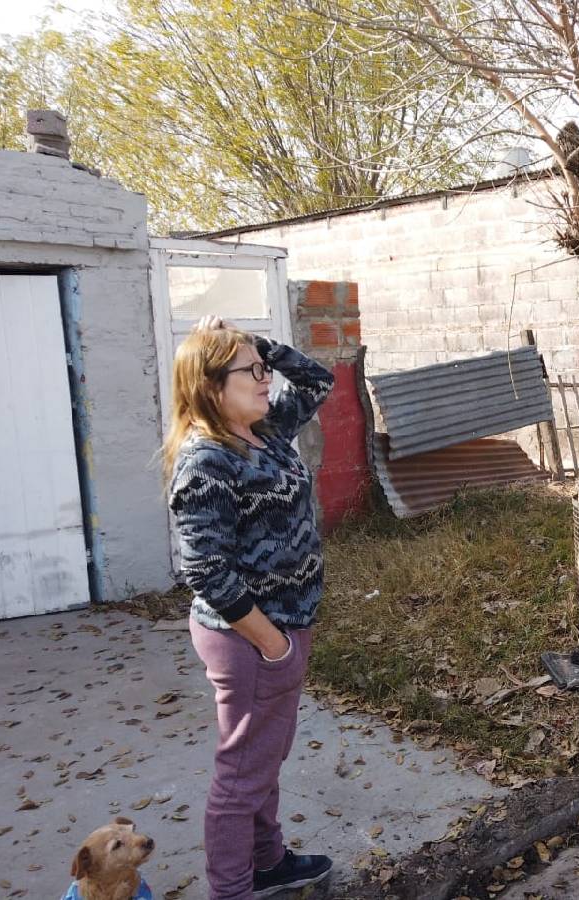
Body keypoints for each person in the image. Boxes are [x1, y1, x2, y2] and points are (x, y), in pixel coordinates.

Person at [162, 316, 335, 900]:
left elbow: (316, 380)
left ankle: (267, 861)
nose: (266, 379)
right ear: (211, 387)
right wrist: (272, 644)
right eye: (251, 372)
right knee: (241, 774)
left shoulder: (263, 431)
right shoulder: (207, 459)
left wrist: (258, 344)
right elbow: (205, 569)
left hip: (283, 626)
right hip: (250, 638)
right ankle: (232, 888)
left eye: (263, 370)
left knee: (264, 757)